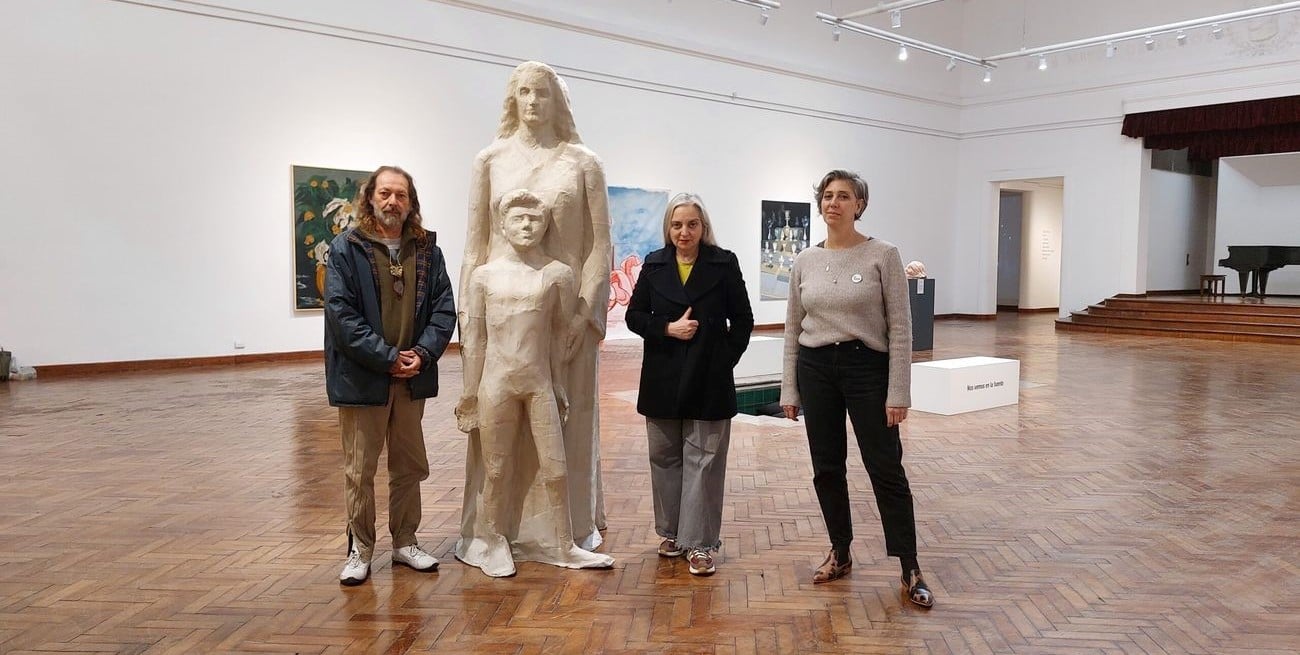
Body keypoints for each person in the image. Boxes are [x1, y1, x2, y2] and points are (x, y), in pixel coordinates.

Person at [461, 61, 612, 551]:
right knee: (498, 438)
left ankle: (568, 531)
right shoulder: (490, 160)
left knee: (567, 429)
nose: (532, 102)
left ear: (557, 101)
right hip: (503, 315)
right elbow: (474, 247)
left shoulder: (582, 162)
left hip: (568, 314)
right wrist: (470, 322)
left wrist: (586, 317)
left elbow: (599, 245)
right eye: (523, 92)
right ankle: (494, 532)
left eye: (542, 93)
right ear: (512, 99)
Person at [779, 169, 934, 608]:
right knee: (827, 467)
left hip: (867, 367)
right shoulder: (805, 260)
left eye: (843, 196)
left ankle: (910, 565)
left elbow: (901, 329)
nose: (834, 203)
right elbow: (793, 328)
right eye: (827, 196)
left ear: (859, 205)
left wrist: (898, 393)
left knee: (886, 469)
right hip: (816, 367)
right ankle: (841, 550)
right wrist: (790, 389)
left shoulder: (882, 254)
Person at [455, 190, 615, 577]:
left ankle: (563, 544)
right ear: (503, 225)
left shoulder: (557, 274)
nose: (527, 226)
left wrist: (559, 383)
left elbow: (559, 338)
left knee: (556, 469)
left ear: (545, 226)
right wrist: (470, 392)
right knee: (496, 469)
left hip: (538, 382)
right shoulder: (484, 277)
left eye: (535, 220)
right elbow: (474, 339)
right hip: (496, 385)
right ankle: (493, 541)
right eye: (519, 219)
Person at [324, 165, 456, 586]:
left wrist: (423, 353)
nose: (392, 201)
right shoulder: (347, 248)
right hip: (365, 380)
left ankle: (405, 542)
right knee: (360, 470)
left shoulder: (428, 251)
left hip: (410, 380)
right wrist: (386, 357)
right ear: (370, 198)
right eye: (385, 193)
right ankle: (360, 549)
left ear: (411, 202)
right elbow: (341, 316)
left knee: (409, 466)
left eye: (401, 195)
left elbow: (443, 309)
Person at [626, 193, 754, 576]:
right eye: (677, 224)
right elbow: (634, 316)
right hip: (662, 378)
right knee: (664, 459)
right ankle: (671, 533)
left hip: (709, 380)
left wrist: (722, 360)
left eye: (692, 224)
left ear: (703, 227)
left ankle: (699, 544)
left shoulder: (724, 263)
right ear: (668, 228)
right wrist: (667, 328)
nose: (685, 231)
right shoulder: (654, 264)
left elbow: (743, 320)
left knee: (705, 463)